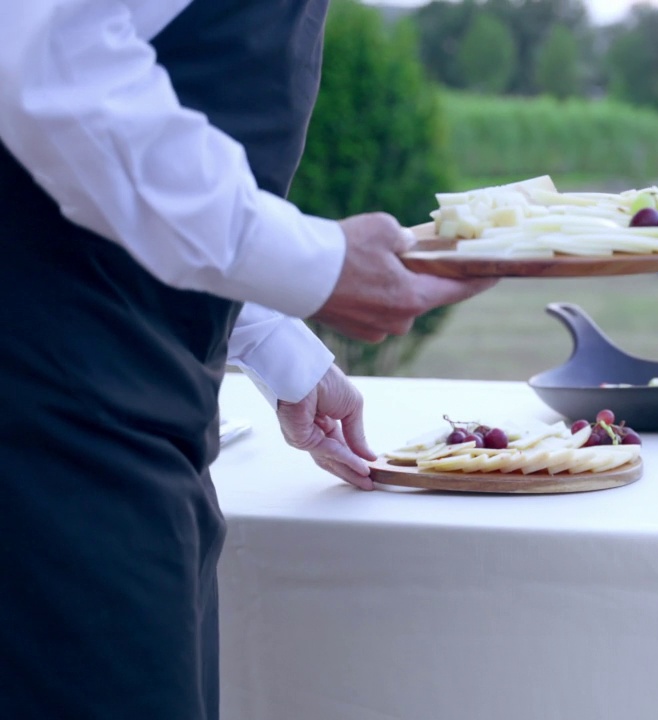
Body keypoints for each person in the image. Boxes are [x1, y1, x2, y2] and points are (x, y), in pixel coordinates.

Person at [0, 1, 496, 717]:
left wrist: (273, 338)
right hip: (48, 420)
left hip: (143, 415)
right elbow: (49, 64)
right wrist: (312, 265)